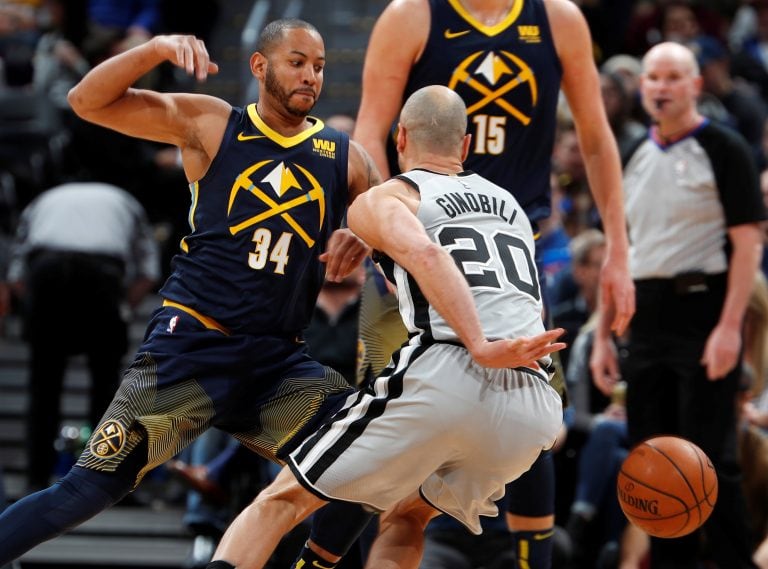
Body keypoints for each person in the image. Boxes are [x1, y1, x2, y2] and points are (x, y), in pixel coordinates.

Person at [0, 18, 379, 565]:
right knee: (86, 491)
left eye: (319, 66)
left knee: (364, 455)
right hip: (191, 352)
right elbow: (87, 101)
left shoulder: (346, 157)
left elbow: (392, 224)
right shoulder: (212, 123)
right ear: (260, 65)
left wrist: (363, 233)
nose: (310, 76)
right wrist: (153, 48)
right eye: (297, 62)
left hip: (276, 362)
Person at [204, 83, 566, 569]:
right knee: (406, 517)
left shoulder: (387, 197)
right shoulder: (511, 206)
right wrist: (375, 248)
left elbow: (427, 253)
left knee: (281, 500)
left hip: (453, 370)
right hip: (532, 404)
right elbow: (463, 283)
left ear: (399, 139)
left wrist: (477, 344)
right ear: (464, 146)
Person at [344, 1, 636, 568]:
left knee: (529, 422)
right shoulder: (410, 16)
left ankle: (530, 558)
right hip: (413, 247)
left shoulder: (559, 19)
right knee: (378, 430)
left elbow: (597, 140)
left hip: (507, 255)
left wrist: (619, 250)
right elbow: (370, 131)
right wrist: (374, 224)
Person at [591, 41, 766, 569]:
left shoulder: (725, 148)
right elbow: (615, 253)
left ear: (694, 85)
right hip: (644, 313)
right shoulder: (628, 151)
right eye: (653, 78)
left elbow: (748, 244)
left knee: (713, 463)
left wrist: (730, 327)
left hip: (705, 309)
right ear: (641, 87)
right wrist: (602, 335)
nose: (661, 87)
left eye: (673, 77)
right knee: (654, 467)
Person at [4, 181, 161, 491]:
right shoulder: (125, 198)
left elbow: (16, 275)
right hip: (99, 276)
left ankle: (36, 480)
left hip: (46, 273)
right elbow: (148, 271)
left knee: (43, 389)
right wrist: (124, 308)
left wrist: (34, 308)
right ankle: (105, 480)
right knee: (106, 390)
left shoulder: (44, 198)